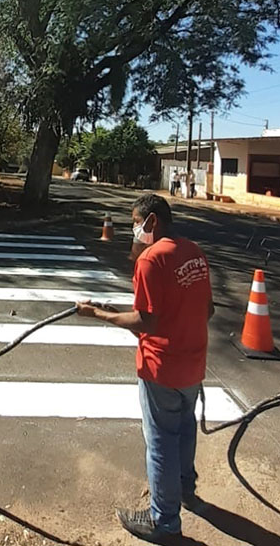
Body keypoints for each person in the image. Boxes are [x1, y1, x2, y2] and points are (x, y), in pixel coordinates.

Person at [76, 193, 214, 541]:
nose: (132, 230)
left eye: (135, 223)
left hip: (161, 369)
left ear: (151, 222)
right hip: (193, 365)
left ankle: (164, 521)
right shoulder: (194, 252)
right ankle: (185, 487)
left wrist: (97, 314)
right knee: (184, 428)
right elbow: (205, 309)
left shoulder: (151, 259)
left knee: (161, 442)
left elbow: (146, 321)